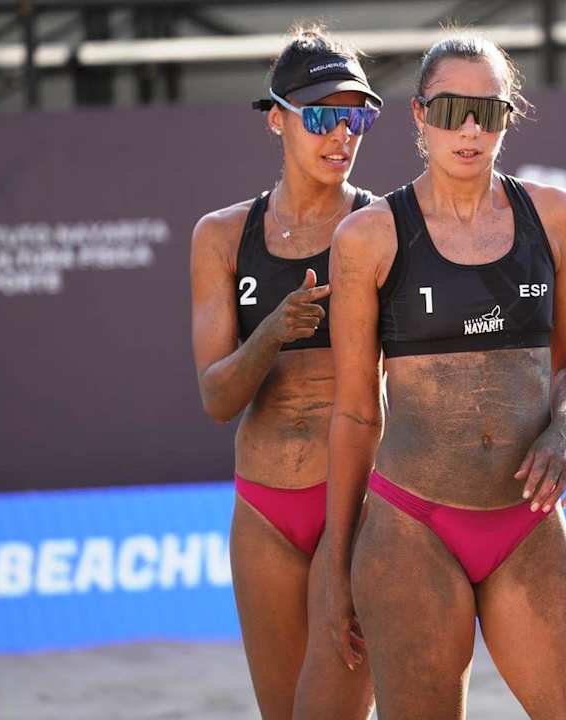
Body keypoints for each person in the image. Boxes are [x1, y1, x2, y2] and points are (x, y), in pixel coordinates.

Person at [323, 33, 566, 719]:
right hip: (411, 524)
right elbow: (355, 413)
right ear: (418, 114)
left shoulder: (555, 217)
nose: (469, 129)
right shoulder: (369, 236)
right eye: (450, 110)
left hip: (526, 520)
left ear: (508, 116)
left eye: (488, 112)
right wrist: (334, 562)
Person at [189, 25, 381, 720]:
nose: (343, 134)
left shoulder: (383, 226)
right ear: (277, 119)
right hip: (263, 507)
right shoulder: (222, 235)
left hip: (354, 500)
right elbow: (217, 398)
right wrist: (272, 332)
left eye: (357, 118)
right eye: (323, 117)